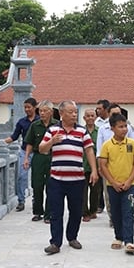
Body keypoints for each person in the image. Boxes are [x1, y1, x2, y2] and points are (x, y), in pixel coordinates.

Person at [39, 100, 98, 254]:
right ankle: (55, 242)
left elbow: (89, 151)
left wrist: (94, 170)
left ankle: (72, 237)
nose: (74, 115)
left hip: (77, 180)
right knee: (56, 212)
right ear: (61, 113)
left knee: (76, 211)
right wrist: (52, 141)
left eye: (75, 112)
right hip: (57, 180)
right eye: (71, 112)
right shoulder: (52, 130)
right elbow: (42, 149)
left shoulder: (82, 131)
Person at [99, 112, 134, 254]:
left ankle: (129, 241)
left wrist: (129, 180)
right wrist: (113, 182)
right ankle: (118, 237)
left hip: (130, 185)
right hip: (113, 186)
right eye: (120, 127)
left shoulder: (132, 143)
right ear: (112, 128)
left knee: (128, 212)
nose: (124, 129)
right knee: (115, 212)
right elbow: (103, 165)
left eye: (125, 126)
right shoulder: (107, 146)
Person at [24, 100, 58, 223]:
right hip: (38, 157)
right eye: (41, 111)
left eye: (45, 111)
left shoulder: (57, 126)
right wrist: (26, 158)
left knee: (51, 186)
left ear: (51, 112)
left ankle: (49, 214)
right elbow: (29, 143)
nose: (42, 113)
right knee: (37, 185)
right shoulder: (35, 125)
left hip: (52, 157)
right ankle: (38, 211)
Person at [4, 97, 38, 212]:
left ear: (35, 107)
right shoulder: (21, 122)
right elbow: (14, 137)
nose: (27, 109)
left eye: (29, 107)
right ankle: (21, 201)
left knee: (37, 179)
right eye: (25, 107)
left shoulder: (39, 121)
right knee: (21, 176)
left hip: (38, 152)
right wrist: (2, 143)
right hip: (24, 152)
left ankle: (36, 201)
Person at [81, 108, 102, 222]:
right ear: (84, 118)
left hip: (96, 166)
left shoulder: (99, 131)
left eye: (92, 116)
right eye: (87, 116)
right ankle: (84, 213)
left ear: (95, 117)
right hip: (83, 165)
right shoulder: (80, 131)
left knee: (95, 191)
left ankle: (93, 210)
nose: (90, 118)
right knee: (82, 191)